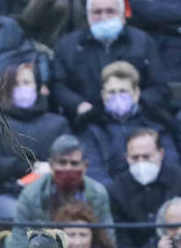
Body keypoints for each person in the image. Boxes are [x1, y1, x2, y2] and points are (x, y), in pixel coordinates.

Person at [0, 60, 70, 221]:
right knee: (23, 215)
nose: (22, 88)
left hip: (51, 195)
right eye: (15, 84)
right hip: (6, 194)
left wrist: (51, 169)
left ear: (38, 86)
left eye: (27, 82)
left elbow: (68, 159)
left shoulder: (58, 124)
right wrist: (30, 166)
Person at [49, 0, 164, 125]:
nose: (104, 17)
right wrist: (78, 105)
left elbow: (159, 87)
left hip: (136, 122)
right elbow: (58, 86)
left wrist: (135, 101)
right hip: (86, 124)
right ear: (88, 15)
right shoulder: (67, 46)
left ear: (122, 14)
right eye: (97, 12)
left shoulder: (143, 42)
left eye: (110, 11)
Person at [106, 127, 181, 248]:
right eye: (135, 158)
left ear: (161, 154)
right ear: (126, 158)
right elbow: (122, 240)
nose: (141, 163)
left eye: (146, 157)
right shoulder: (117, 189)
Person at [2, 134, 113, 248]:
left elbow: (107, 239)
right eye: (62, 162)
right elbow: (18, 243)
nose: (68, 168)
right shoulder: (31, 194)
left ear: (85, 166)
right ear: (51, 165)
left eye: (74, 163)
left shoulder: (98, 193)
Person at [73, 60, 171, 188]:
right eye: (112, 92)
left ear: (136, 94)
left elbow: (170, 165)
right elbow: (94, 171)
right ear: (103, 95)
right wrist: (117, 197)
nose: (117, 97)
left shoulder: (156, 125)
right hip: (111, 196)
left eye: (123, 91)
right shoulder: (91, 128)